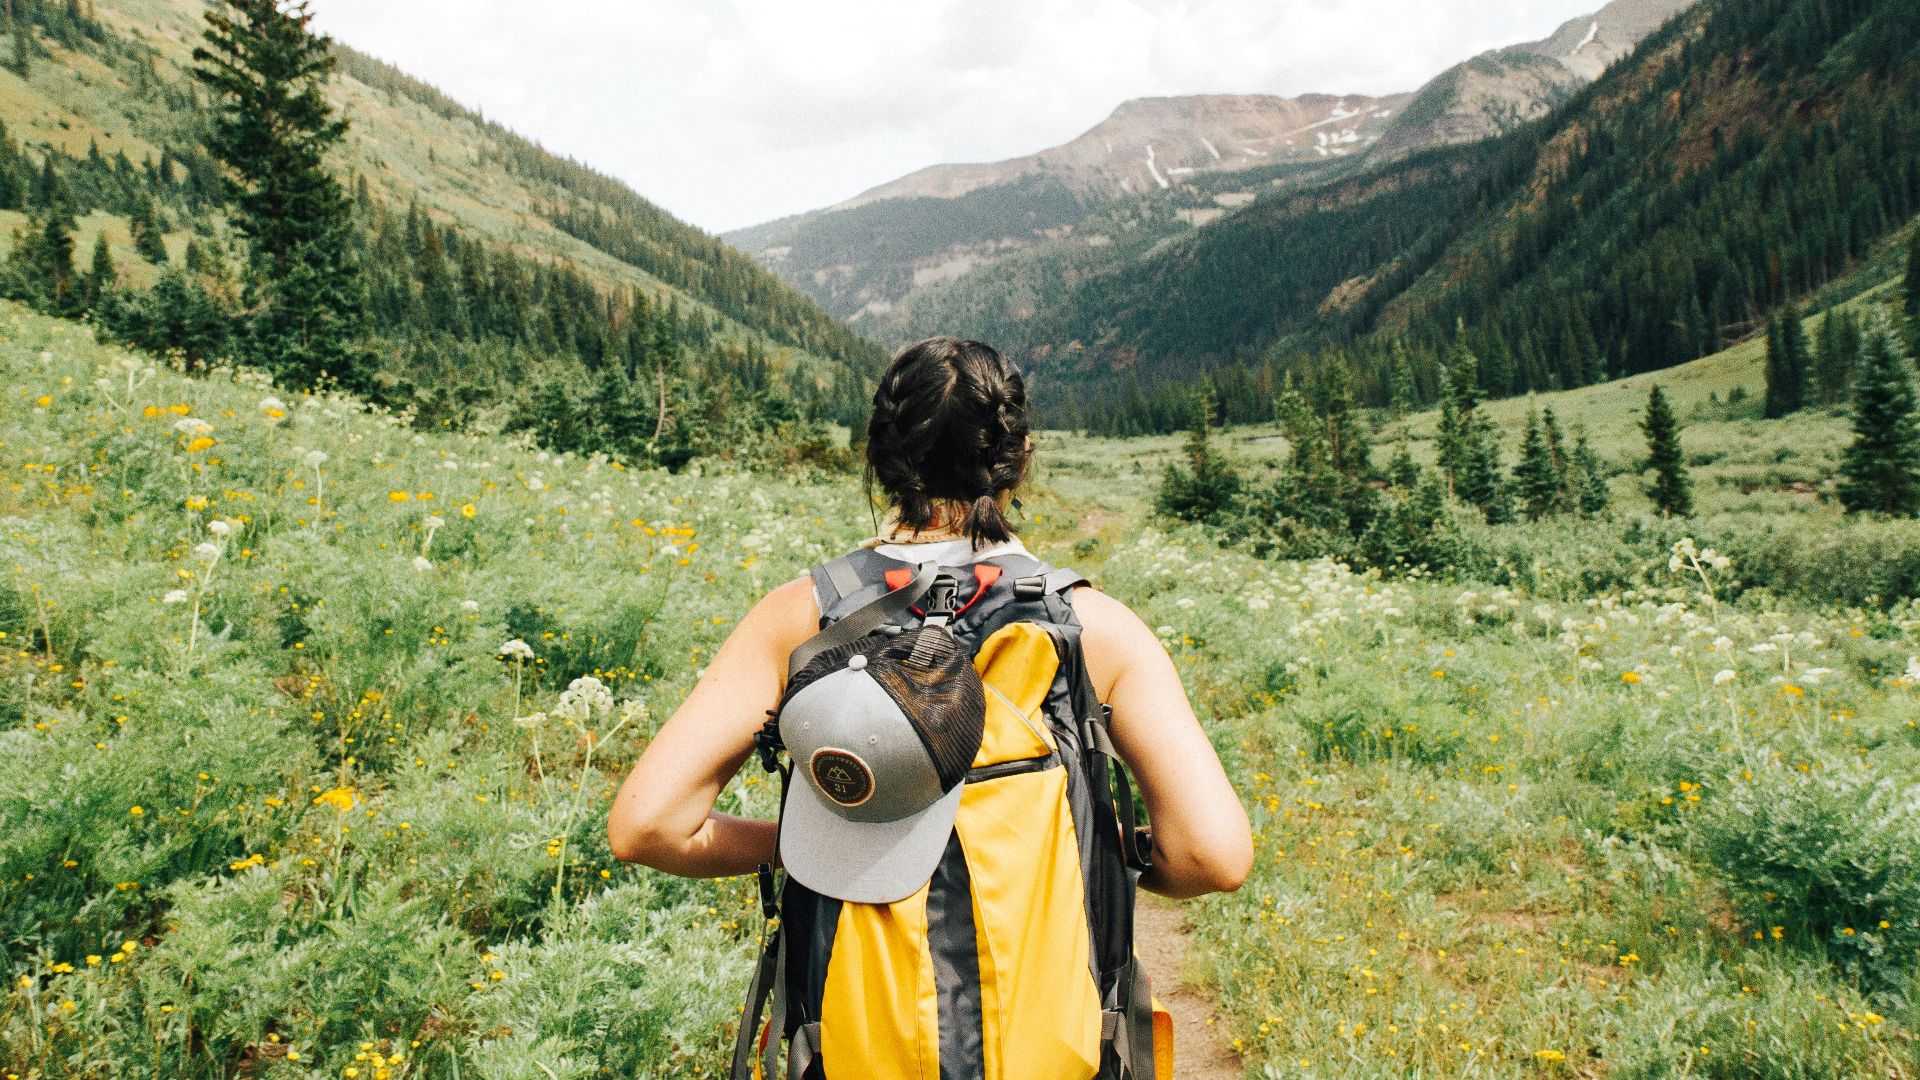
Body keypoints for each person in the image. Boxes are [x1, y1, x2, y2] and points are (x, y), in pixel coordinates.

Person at [607, 336, 1251, 1075]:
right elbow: (1215, 855)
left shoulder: (802, 618)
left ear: (880, 459)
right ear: (1021, 457)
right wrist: (1109, 853)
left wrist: (810, 844)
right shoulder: (1094, 628)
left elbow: (647, 826)